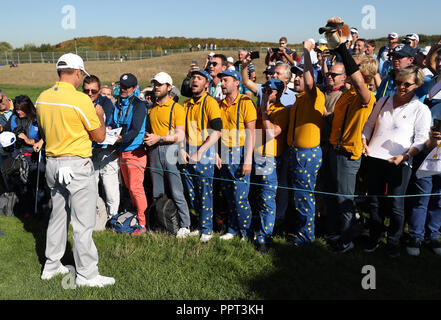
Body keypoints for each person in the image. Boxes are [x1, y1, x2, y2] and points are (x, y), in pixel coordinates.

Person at [36, 53, 114, 287]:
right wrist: (100, 116)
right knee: (83, 223)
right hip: (77, 164)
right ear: (78, 73)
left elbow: (43, 131)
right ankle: (87, 274)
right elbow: (99, 136)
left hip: (52, 162)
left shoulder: (42, 98)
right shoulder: (80, 100)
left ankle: (51, 265)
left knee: (58, 217)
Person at [362, 65, 432, 258]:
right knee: (374, 201)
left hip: (400, 161)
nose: (401, 87)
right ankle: (375, 237)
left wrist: (406, 156)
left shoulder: (421, 109)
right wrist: (363, 140)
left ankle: (393, 241)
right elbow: (369, 125)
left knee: (395, 203)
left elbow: (421, 139)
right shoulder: (383, 101)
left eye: (407, 84)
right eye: (398, 83)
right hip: (375, 158)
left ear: (417, 85)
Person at [325, 49, 377, 252]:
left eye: (351, 71)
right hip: (333, 150)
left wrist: (343, 49)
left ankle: (347, 239)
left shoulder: (366, 97)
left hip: (348, 155)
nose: (346, 73)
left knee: (344, 198)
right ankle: (335, 231)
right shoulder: (347, 95)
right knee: (332, 195)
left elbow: (360, 84)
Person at [285, 40, 325, 245]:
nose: (297, 78)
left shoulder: (314, 95)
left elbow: (310, 84)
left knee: (304, 196)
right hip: (296, 152)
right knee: (300, 196)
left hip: (306, 153)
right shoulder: (299, 98)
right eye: (296, 74)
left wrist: (307, 53)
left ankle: (306, 236)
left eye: (301, 74)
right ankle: (301, 231)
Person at [143, 72, 191, 238]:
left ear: (169, 87)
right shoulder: (151, 108)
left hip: (171, 149)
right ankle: (161, 223)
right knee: (157, 191)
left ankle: (185, 225)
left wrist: (160, 138)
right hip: (154, 151)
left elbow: (181, 135)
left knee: (177, 191)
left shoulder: (177, 108)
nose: (156, 87)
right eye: (155, 84)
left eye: (160, 84)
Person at [406, 51, 441, 256]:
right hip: (427, 147)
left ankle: (432, 235)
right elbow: (417, 106)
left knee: (439, 197)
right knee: (422, 195)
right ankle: (415, 236)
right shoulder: (428, 83)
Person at [180, 70, 222, 242]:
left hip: (203, 151)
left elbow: (218, 131)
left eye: (199, 78)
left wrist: (200, 151)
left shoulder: (210, 103)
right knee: (192, 192)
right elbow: (180, 131)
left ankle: (207, 228)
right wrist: (182, 149)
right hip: (188, 150)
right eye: (193, 78)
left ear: (207, 84)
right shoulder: (186, 104)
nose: (195, 81)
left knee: (205, 192)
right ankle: (198, 225)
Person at [217, 69, 257, 241]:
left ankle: (246, 231)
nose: (222, 84)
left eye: (226, 80)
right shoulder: (220, 104)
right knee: (229, 194)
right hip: (225, 152)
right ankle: (233, 229)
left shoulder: (246, 103)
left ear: (237, 82)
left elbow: (252, 133)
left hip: (240, 152)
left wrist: (248, 160)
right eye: (221, 81)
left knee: (240, 197)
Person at [252, 78, 289, 253]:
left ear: (280, 93)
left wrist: (264, 112)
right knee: (260, 196)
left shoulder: (282, 110)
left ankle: (265, 237)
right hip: (259, 155)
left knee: (268, 198)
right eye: (265, 90)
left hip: (271, 157)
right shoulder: (263, 107)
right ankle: (260, 229)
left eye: (271, 90)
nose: (266, 93)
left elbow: (273, 132)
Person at [110, 73, 148, 236]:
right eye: (122, 86)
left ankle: (142, 223)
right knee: (129, 187)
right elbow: (113, 122)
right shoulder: (118, 103)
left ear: (134, 88)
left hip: (135, 151)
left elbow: (135, 130)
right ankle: (133, 215)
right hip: (122, 151)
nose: (123, 89)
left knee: (136, 188)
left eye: (127, 87)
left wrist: (120, 139)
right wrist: (110, 131)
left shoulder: (139, 105)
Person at [1, 95, 46, 217]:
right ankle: (27, 211)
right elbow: (5, 131)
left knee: (37, 184)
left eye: (21, 109)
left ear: (27, 108)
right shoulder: (14, 117)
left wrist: (29, 140)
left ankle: (40, 210)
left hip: (36, 156)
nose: (19, 111)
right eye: (17, 108)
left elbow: (45, 137)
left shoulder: (37, 118)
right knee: (23, 185)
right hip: (19, 156)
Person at [83, 75, 120, 220]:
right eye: (87, 91)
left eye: (93, 91)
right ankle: (92, 216)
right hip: (88, 150)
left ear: (98, 90)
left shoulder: (105, 102)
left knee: (110, 186)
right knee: (90, 186)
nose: (90, 94)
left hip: (106, 149)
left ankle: (113, 217)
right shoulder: (80, 102)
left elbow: (108, 123)